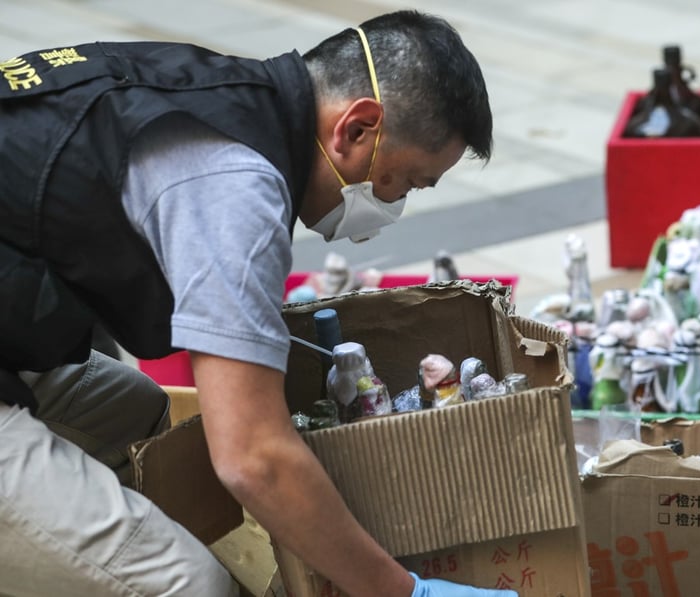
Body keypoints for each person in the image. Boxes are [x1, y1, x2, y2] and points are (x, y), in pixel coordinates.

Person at [0, 10, 513, 597]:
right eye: (408, 181)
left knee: (143, 426)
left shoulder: (214, 92)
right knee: (189, 586)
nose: (395, 203)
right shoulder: (234, 186)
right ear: (357, 129)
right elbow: (253, 458)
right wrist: (401, 591)